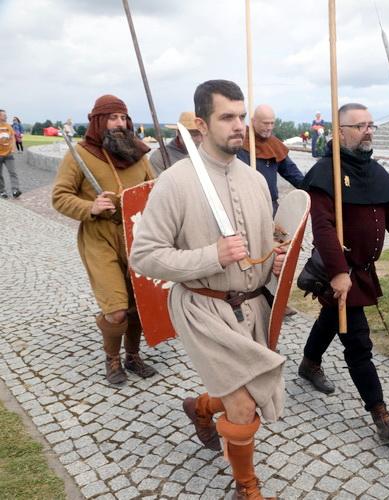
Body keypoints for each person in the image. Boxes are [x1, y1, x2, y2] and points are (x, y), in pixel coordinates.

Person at [129, 79, 287, 499]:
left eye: (242, 116)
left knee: (252, 388)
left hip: (251, 306)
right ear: (201, 124)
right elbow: (144, 256)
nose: (239, 126)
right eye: (227, 117)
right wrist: (211, 256)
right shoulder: (175, 182)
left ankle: (200, 408)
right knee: (243, 406)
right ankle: (246, 488)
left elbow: (263, 245)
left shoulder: (255, 180)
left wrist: (274, 259)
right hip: (202, 307)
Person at [298, 102, 389, 441]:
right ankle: (380, 414)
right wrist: (339, 273)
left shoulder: (375, 171)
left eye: (371, 125)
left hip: (362, 271)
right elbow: (323, 228)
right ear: (340, 132)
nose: (368, 131)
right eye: (360, 126)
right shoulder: (326, 173)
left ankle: (309, 363)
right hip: (339, 270)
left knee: (330, 318)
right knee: (357, 342)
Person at [51, 95, 157, 385]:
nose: (119, 123)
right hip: (100, 238)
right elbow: (59, 197)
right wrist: (91, 207)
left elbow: (153, 190)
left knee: (137, 304)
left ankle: (132, 355)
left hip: (136, 237)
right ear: (99, 121)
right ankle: (112, 358)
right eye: (112, 118)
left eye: (123, 117)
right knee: (116, 309)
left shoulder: (138, 154)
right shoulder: (80, 155)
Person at [237, 104, 304, 214]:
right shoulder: (240, 142)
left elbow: (291, 172)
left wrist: (310, 189)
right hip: (246, 205)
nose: (269, 127)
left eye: (272, 123)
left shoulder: (274, 144)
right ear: (253, 121)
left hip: (270, 206)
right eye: (265, 123)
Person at [149, 111, 203, 175]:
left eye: (202, 134)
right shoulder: (159, 157)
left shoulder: (206, 151)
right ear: (179, 133)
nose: (200, 139)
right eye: (194, 135)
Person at [0, 110, 21, 199]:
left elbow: (12, 137)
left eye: (6, 115)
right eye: (4, 115)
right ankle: (2, 191)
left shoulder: (9, 126)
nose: (6, 116)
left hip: (8, 154)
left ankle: (15, 190)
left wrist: (13, 148)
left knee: (13, 172)